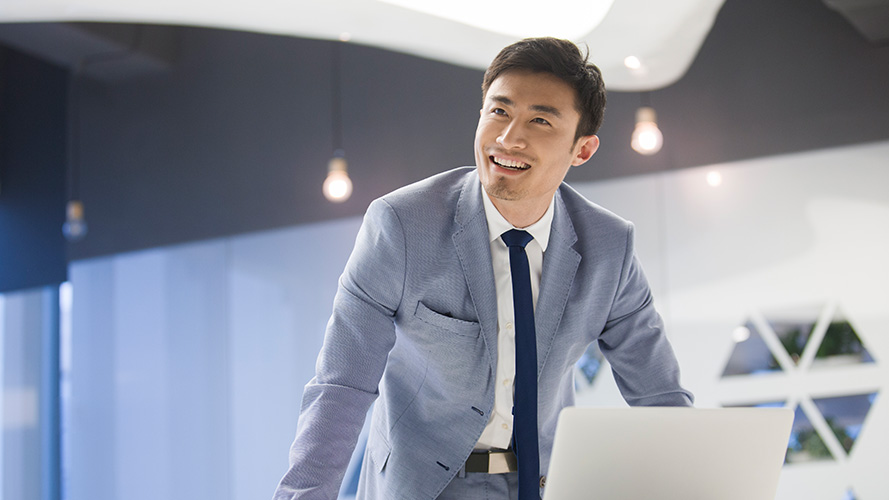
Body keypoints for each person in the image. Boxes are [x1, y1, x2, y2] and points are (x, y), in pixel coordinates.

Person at [272, 37, 693, 500]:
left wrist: (696, 486)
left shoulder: (609, 248)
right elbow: (342, 385)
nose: (509, 137)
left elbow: (659, 396)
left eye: (540, 120)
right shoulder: (403, 226)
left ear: (583, 149)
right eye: (498, 111)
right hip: (425, 484)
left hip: (545, 483)